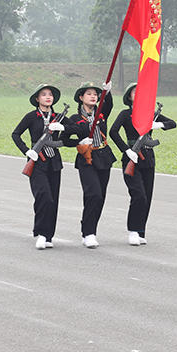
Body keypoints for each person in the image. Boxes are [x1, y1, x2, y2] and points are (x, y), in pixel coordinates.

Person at [109, 83, 177, 246]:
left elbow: (172, 123)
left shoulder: (150, 114)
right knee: (138, 194)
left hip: (148, 158)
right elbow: (113, 132)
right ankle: (133, 230)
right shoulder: (126, 114)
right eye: (134, 92)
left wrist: (158, 124)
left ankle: (141, 231)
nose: (138, 94)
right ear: (129, 96)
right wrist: (126, 150)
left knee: (147, 196)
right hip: (131, 157)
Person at [11, 84, 73, 250]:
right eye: (44, 94)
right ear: (37, 99)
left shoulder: (59, 117)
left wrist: (64, 127)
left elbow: (79, 129)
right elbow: (15, 134)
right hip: (37, 162)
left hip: (54, 163)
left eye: (50, 95)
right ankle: (41, 232)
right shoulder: (32, 116)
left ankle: (48, 235)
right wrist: (27, 151)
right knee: (43, 197)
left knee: (53, 200)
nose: (48, 97)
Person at [67, 81, 116, 249]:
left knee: (100, 197)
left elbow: (108, 104)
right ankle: (88, 232)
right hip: (86, 159)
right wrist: (79, 141)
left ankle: (90, 229)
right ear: (81, 98)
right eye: (89, 93)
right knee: (93, 194)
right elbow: (65, 138)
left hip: (103, 156)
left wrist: (107, 92)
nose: (93, 96)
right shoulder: (74, 119)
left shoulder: (101, 113)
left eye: (95, 94)